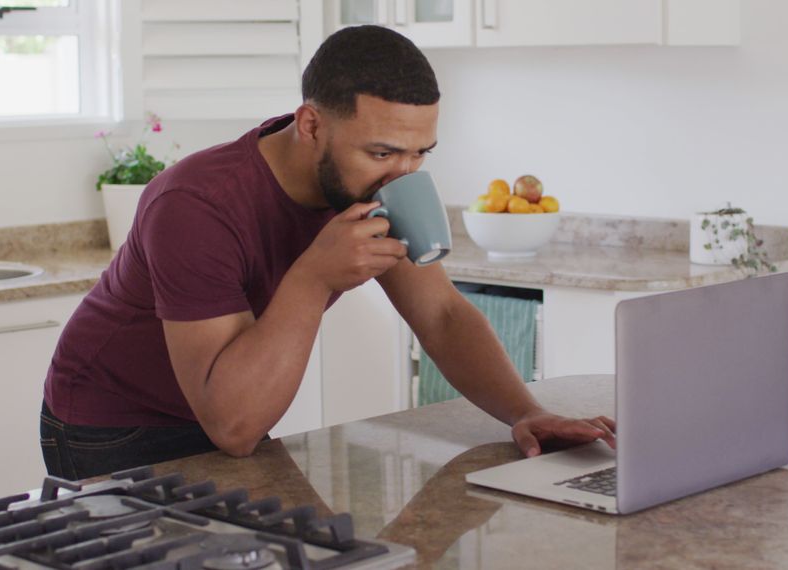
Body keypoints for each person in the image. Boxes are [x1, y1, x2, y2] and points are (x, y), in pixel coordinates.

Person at [40, 25, 616, 480]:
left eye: (421, 154)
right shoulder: (196, 203)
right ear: (311, 124)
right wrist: (314, 277)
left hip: (229, 411)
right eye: (384, 152)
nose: (405, 174)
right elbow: (234, 426)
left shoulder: (378, 187)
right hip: (110, 423)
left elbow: (440, 315)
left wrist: (526, 411)